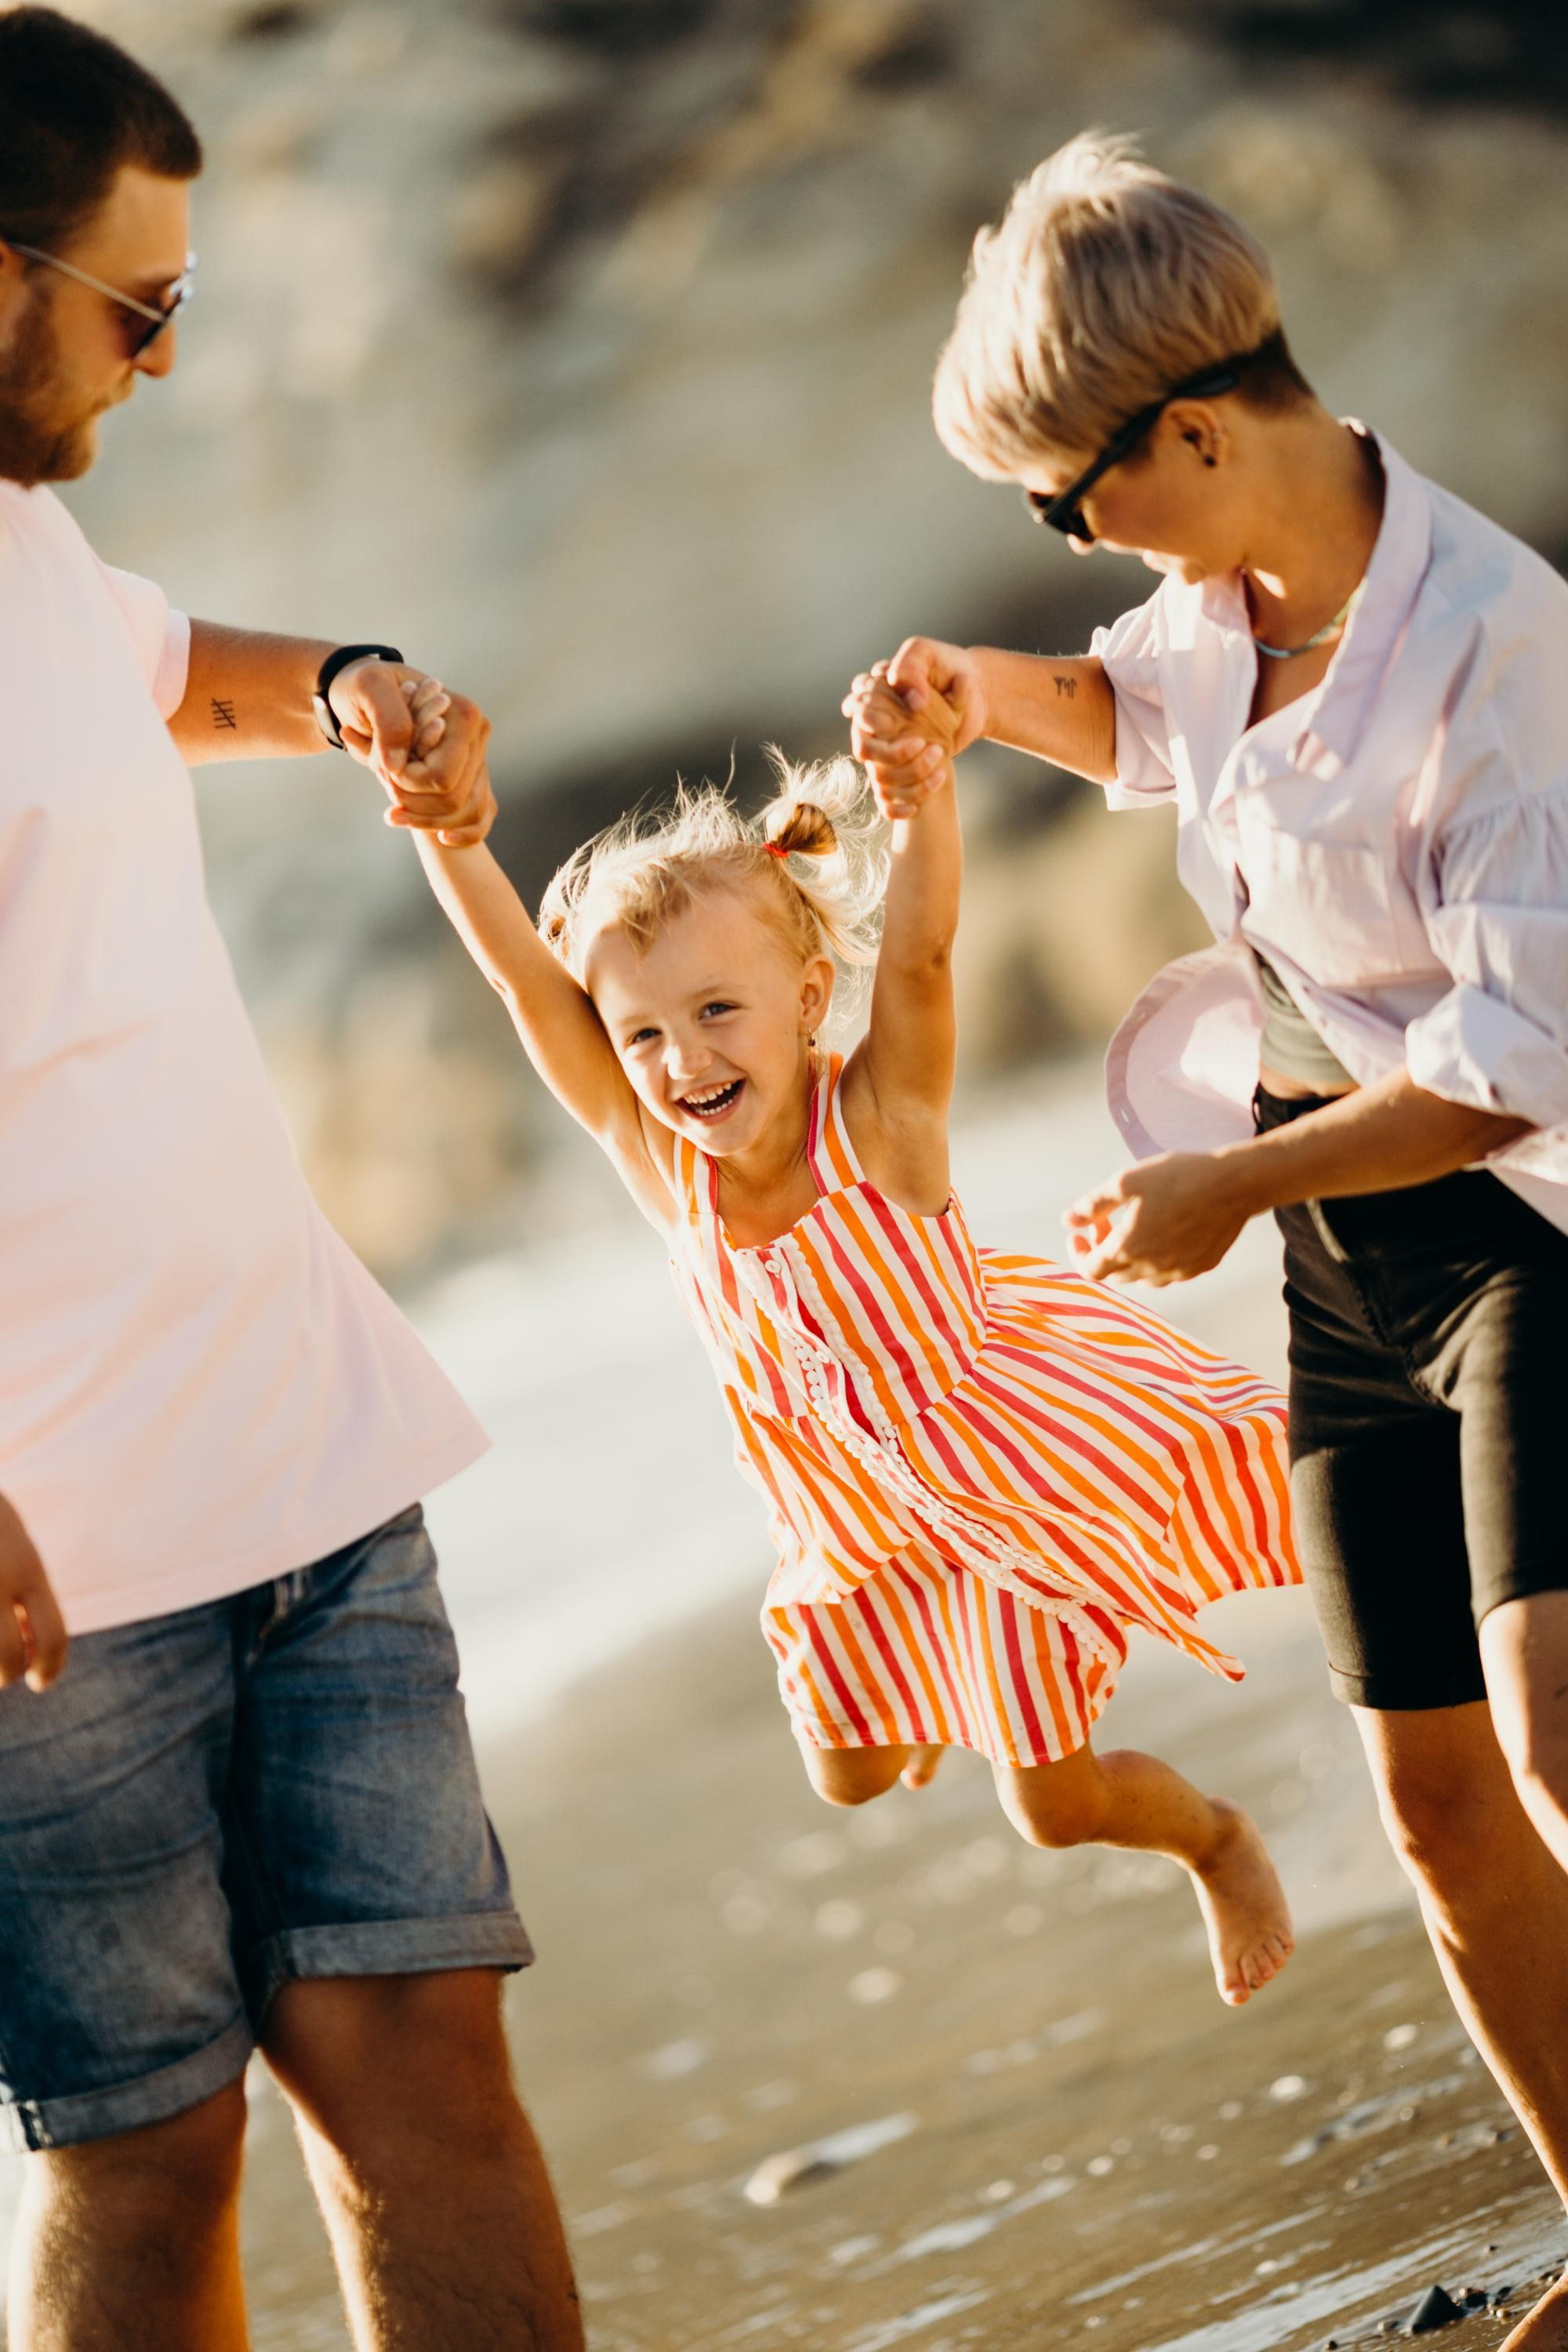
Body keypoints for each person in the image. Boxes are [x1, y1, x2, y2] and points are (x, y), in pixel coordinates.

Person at [848, 129, 1568, 2352]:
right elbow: (1138, 718)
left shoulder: (1498, 640)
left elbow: (1513, 1057)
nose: (1071, 539)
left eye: (1074, 498)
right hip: (1348, 1257)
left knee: (1559, 1733)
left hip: (1522, 1216)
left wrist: (1228, 1186)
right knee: (1433, 1796)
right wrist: (976, 690)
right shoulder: (1215, 606)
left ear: (1193, 430)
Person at [0, 11, 580, 2348]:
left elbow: (156, 676)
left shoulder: (30, 536)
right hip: (51, 1564)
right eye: (144, 308)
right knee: (153, 2154)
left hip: (306, 1459)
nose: (158, 362)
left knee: (429, 2060)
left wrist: (346, 682)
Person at [399, 648, 1301, 2012]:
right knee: (850, 1771)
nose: (685, 1063)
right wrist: (450, 840)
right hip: (848, 1532)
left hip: (1000, 1495)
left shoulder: (882, 1129)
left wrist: (924, 791)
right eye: (643, 1037)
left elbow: (929, 950)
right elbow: (533, 990)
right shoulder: (665, 1172)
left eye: (718, 1013)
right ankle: (923, 1693)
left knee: (1050, 1808)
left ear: (808, 1000)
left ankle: (1216, 1841)